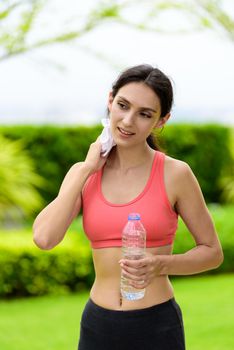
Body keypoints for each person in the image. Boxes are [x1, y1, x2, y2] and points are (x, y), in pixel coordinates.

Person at [33, 64, 224, 350]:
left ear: (161, 120)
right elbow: (44, 238)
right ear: (110, 100)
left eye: (145, 114)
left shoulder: (176, 174)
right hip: (98, 325)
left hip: (157, 325)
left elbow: (212, 252)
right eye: (122, 105)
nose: (128, 121)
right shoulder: (84, 173)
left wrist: (161, 264)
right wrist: (86, 169)